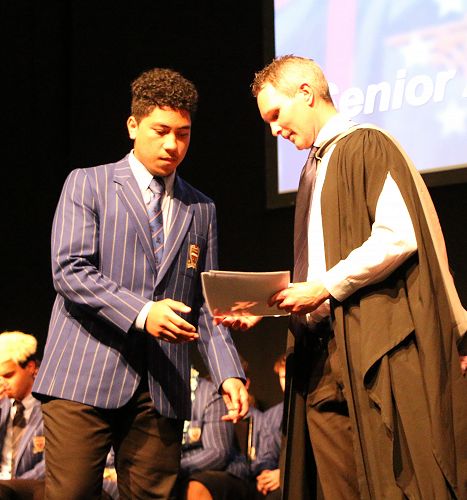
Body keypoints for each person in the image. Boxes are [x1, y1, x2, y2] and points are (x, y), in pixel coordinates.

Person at [221, 55, 467, 499]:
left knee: (392, 481)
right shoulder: (312, 171)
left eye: (275, 115)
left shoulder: (366, 145)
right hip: (319, 358)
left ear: (306, 93)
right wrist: (267, 307)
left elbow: (398, 235)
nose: (274, 130)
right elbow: (316, 266)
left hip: (371, 347)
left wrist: (325, 287)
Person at [32, 67, 248, 499]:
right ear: (133, 126)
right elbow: (70, 269)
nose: (172, 145)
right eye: (161, 131)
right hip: (81, 376)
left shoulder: (200, 208)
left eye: (183, 134)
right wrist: (144, 313)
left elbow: (205, 303)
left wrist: (228, 374)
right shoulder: (88, 184)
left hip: (162, 385)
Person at [0, 331, 45, 499]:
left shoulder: (50, 407)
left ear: (30, 368)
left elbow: (53, 464)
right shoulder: (2, 404)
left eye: (8, 375)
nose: (2, 382)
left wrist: (11, 487)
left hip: (31, 491)